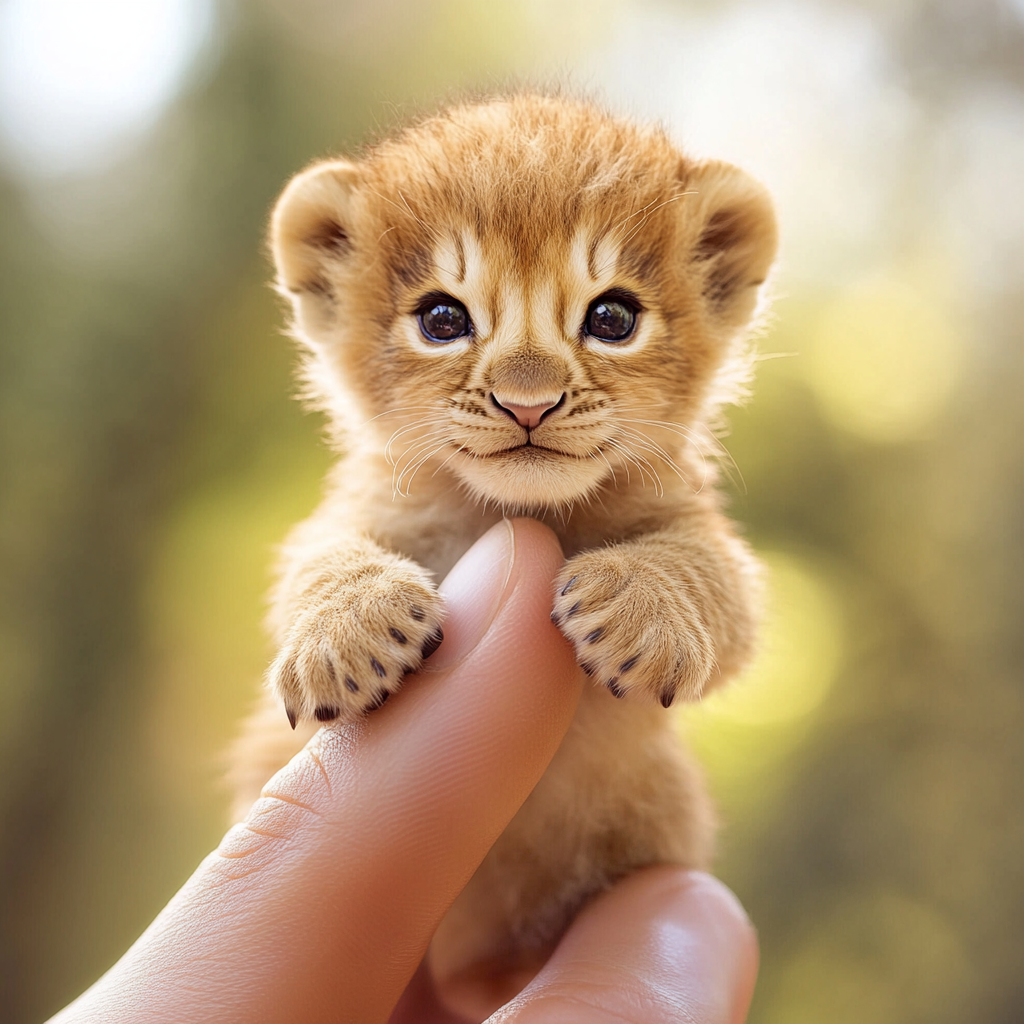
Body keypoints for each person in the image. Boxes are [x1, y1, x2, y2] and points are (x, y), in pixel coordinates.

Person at [49, 519, 758, 1023]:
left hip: (581, 895)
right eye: (446, 322)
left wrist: (669, 589)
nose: (527, 393)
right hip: (336, 938)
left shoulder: (662, 512)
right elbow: (320, 559)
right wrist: (346, 600)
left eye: (608, 321)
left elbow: (723, 597)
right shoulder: (377, 507)